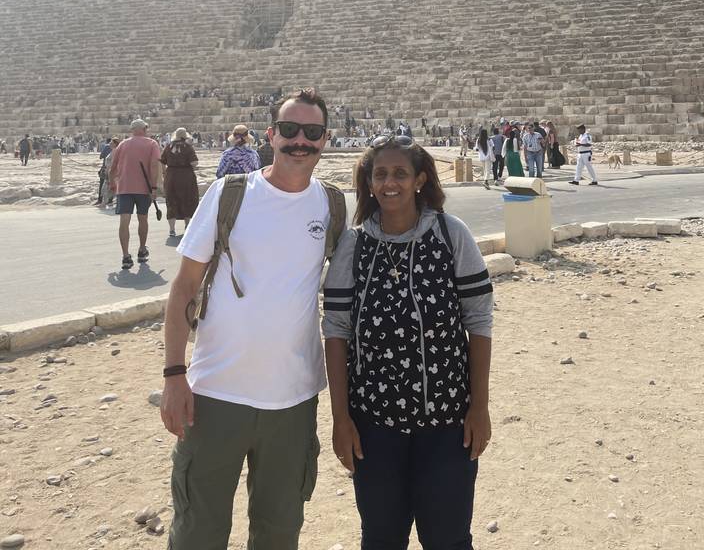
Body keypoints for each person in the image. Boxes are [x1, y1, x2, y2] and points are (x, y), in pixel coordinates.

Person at [161, 89, 342, 550]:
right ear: (270, 135)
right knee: (198, 532)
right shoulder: (230, 194)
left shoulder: (334, 207)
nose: (300, 140)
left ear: (326, 140)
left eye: (312, 132)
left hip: (293, 400)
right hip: (216, 395)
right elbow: (184, 287)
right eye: (289, 130)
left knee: (279, 532)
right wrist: (174, 374)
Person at [323, 135, 493, 550]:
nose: (389, 183)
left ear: (420, 179)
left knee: (449, 539)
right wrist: (340, 419)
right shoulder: (353, 244)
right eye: (380, 174)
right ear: (368, 181)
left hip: (447, 423)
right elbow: (336, 330)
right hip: (374, 426)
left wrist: (480, 406)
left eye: (400, 173)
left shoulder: (451, 234)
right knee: (380, 539)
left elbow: (479, 321)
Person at [109, 119, 162, 270]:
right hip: (143, 188)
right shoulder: (151, 144)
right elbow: (153, 165)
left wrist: (112, 183)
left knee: (124, 221)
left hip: (124, 187)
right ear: (144, 129)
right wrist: (153, 187)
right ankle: (142, 249)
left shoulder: (123, 144)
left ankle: (125, 256)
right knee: (142, 219)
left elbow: (112, 167)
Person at [160, 127, 199, 237]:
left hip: (171, 176)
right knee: (187, 199)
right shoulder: (188, 147)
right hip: (186, 177)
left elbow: (162, 161)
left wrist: (164, 172)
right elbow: (194, 162)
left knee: (171, 200)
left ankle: (172, 229)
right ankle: (187, 226)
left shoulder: (168, 147)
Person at [100, 138, 120, 208]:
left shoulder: (115, 151)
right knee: (107, 188)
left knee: (110, 188)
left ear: (115, 144)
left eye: (111, 143)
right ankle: (104, 203)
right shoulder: (113, 151)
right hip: (109, 172)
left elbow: (114, 163)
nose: (110, 144)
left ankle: (105, 203)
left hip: (112, 173)